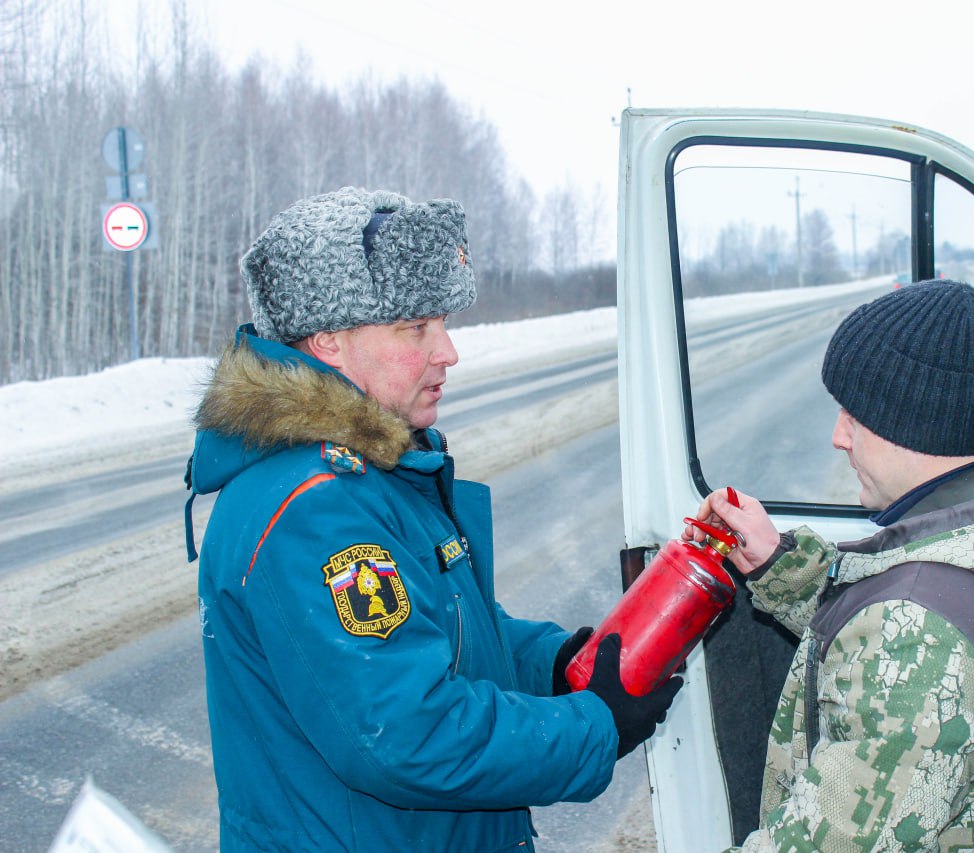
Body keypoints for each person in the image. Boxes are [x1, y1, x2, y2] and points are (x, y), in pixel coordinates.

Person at [183, 187, 681, 851]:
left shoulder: (376, 470)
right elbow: (406, 733)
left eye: (442, 321)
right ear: (329, 338)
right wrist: (594, 725)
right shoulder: (315, 508)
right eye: (415, 328)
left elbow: (441, 625)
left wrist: (556, 664)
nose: (447, 351)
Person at [687, 280, 974, 852]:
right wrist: (783, 568)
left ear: (916, 422)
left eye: (854, 417)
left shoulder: (924, 635)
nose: (838, 438)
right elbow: (967, 629)